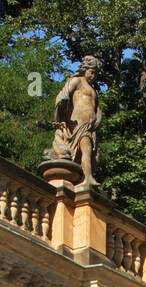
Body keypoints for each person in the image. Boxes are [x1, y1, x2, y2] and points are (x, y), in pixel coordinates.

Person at [47, 56, 102, 188]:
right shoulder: (77, 81)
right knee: (86, 149)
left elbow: (98, 109)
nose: (93, 76)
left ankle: (84, 176)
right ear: (84, 69)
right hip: (78, 125)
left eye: (96, 73)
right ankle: (88, 178)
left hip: (90, 127)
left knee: (95, 156)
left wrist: (98, 120)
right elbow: (62, 96)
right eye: (91, 72)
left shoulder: (93, 91)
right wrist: (61, 108)